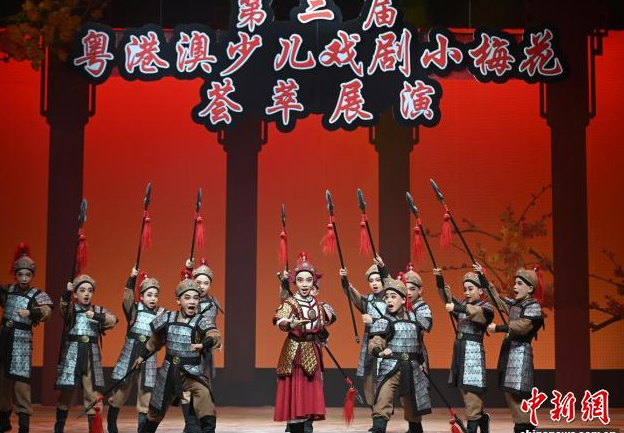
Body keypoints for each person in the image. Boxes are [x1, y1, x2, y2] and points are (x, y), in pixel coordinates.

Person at [136, 278, 221, 433]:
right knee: (155, 412)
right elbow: (155, 341)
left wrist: (203, 344)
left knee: (205, 399)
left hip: (192, 372)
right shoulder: (167, 318)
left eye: (196, 298)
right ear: (178, 300)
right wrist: (142, 356)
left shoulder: (201, 321)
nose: (192, 301)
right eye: (187, 297)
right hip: (168, 371)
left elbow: (214, 335)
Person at [273, 253, 336, 433]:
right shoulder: (290, 302)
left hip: (313, 352)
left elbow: (328, 319)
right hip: (295, 352)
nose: (305, 284)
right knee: (296, 395)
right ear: (295, 282)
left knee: (309, 397)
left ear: (314, 281)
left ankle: (307, 426)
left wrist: (322, 331)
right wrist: (290, 324)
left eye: (308, 280)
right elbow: (279, 320)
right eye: (300, 280)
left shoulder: (319, 304)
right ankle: (295, 428)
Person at [480, 264, 544, 433]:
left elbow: (523, 326)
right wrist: (482, 278)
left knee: (515, 393)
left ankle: (523, 426)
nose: (515, 286)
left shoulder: (533, 307)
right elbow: (497, 300)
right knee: (510, 392)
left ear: (530, 288)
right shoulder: (515, 304)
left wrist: (499, 328)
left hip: (520, 353)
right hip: (510, 352)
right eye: (515, 283)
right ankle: (524, 425)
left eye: (519, 283)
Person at [54, 274, 118, 433]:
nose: (87, 294)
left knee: (92, 393)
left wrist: (96, 316)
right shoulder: (71, 310)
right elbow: (63, 307)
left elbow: (113, 320)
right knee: (66, 392)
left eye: (90, 290)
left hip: (91, 355)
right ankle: (59, 426)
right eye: (82, 290)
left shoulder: (98, 310)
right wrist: (66, 293)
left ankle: (94, 428)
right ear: (76, 294)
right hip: (72, 354)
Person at [0, 245, 53, 433]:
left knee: (21, 386)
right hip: (4, 340)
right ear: (15, 274)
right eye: (20, 274)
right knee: (2, 383)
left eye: (27, 275)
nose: (24, 278)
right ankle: (4, 420)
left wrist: (31, 312)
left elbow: (47, 312)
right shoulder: (7, 291)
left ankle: (24, 425)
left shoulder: (37, 295)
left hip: (21, 343)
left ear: (32, 275)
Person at [368, 277, 431, 433]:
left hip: (413, 367)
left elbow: (418, 342)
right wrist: (379, 351)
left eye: (393, 296)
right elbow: (375, 341)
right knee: (383, 398)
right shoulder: (384, 320)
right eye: (387, 297)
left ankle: (415, 430)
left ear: (403, 299)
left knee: (412, 405)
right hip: (391, 366)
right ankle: (378, 429)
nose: (389, 300)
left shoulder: (416, 318)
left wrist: (421, 363)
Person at [435, 268, 493, 433]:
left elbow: (476, 312)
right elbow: (447, 298)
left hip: (473, 356)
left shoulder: (486, 307)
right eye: (465, 289)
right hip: (460, 353)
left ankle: (472, 428)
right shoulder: (462, 305)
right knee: (466, 392)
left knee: (471, 392)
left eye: (470, 289)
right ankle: (482, 419)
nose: (466, 292)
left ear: (480, 291)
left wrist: (457, 307)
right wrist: (439, 279)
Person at [107, 269, 166, 433]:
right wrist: (132, 279)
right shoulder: (134, 310)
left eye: (156, 295)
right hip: (130, 354)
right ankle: (111, 424)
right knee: (120, 392)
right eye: (149, 295)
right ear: (141, 296)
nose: (153, 298)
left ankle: (142, 429)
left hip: (149, 357)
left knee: (146, 395)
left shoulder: (162, 314)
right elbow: (127, 298)